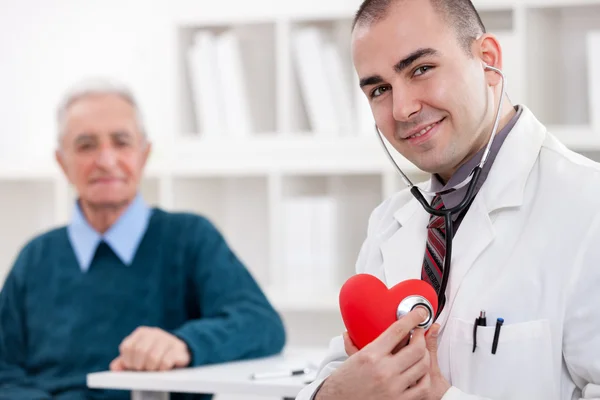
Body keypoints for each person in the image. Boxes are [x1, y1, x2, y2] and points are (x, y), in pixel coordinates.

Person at [296, 0, 600, 399]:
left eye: (420, 69)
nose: (402, 109)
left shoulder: (586, 207)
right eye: (379, 89)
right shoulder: (391, 220)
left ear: (488, 60)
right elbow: (342, 370)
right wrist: (334, 394)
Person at [0, 78, 286, 400]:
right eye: (86, 145)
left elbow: (261, 323)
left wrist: (185, 344)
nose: (106, 160)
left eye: (121, 142)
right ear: (62, 162)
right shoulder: (35, 257)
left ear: (144, 154)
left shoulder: (189, 237)